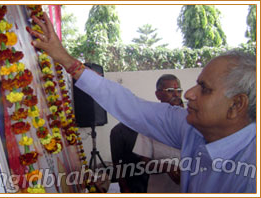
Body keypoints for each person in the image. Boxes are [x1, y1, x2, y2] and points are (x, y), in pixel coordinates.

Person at [27, 13, 256, 193]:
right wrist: (67, 60)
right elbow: (129, 105)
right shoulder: (190, 128)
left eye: (204, 89)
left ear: (237, 105)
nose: (189, 94)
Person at [110, 74, 183, 193]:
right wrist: (124, 186)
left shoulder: (190, 122)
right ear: (158, 95)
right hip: (143, 185)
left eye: (179, 91)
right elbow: (119, 163)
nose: (176, 95)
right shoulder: (127, 130)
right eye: (170, 91)